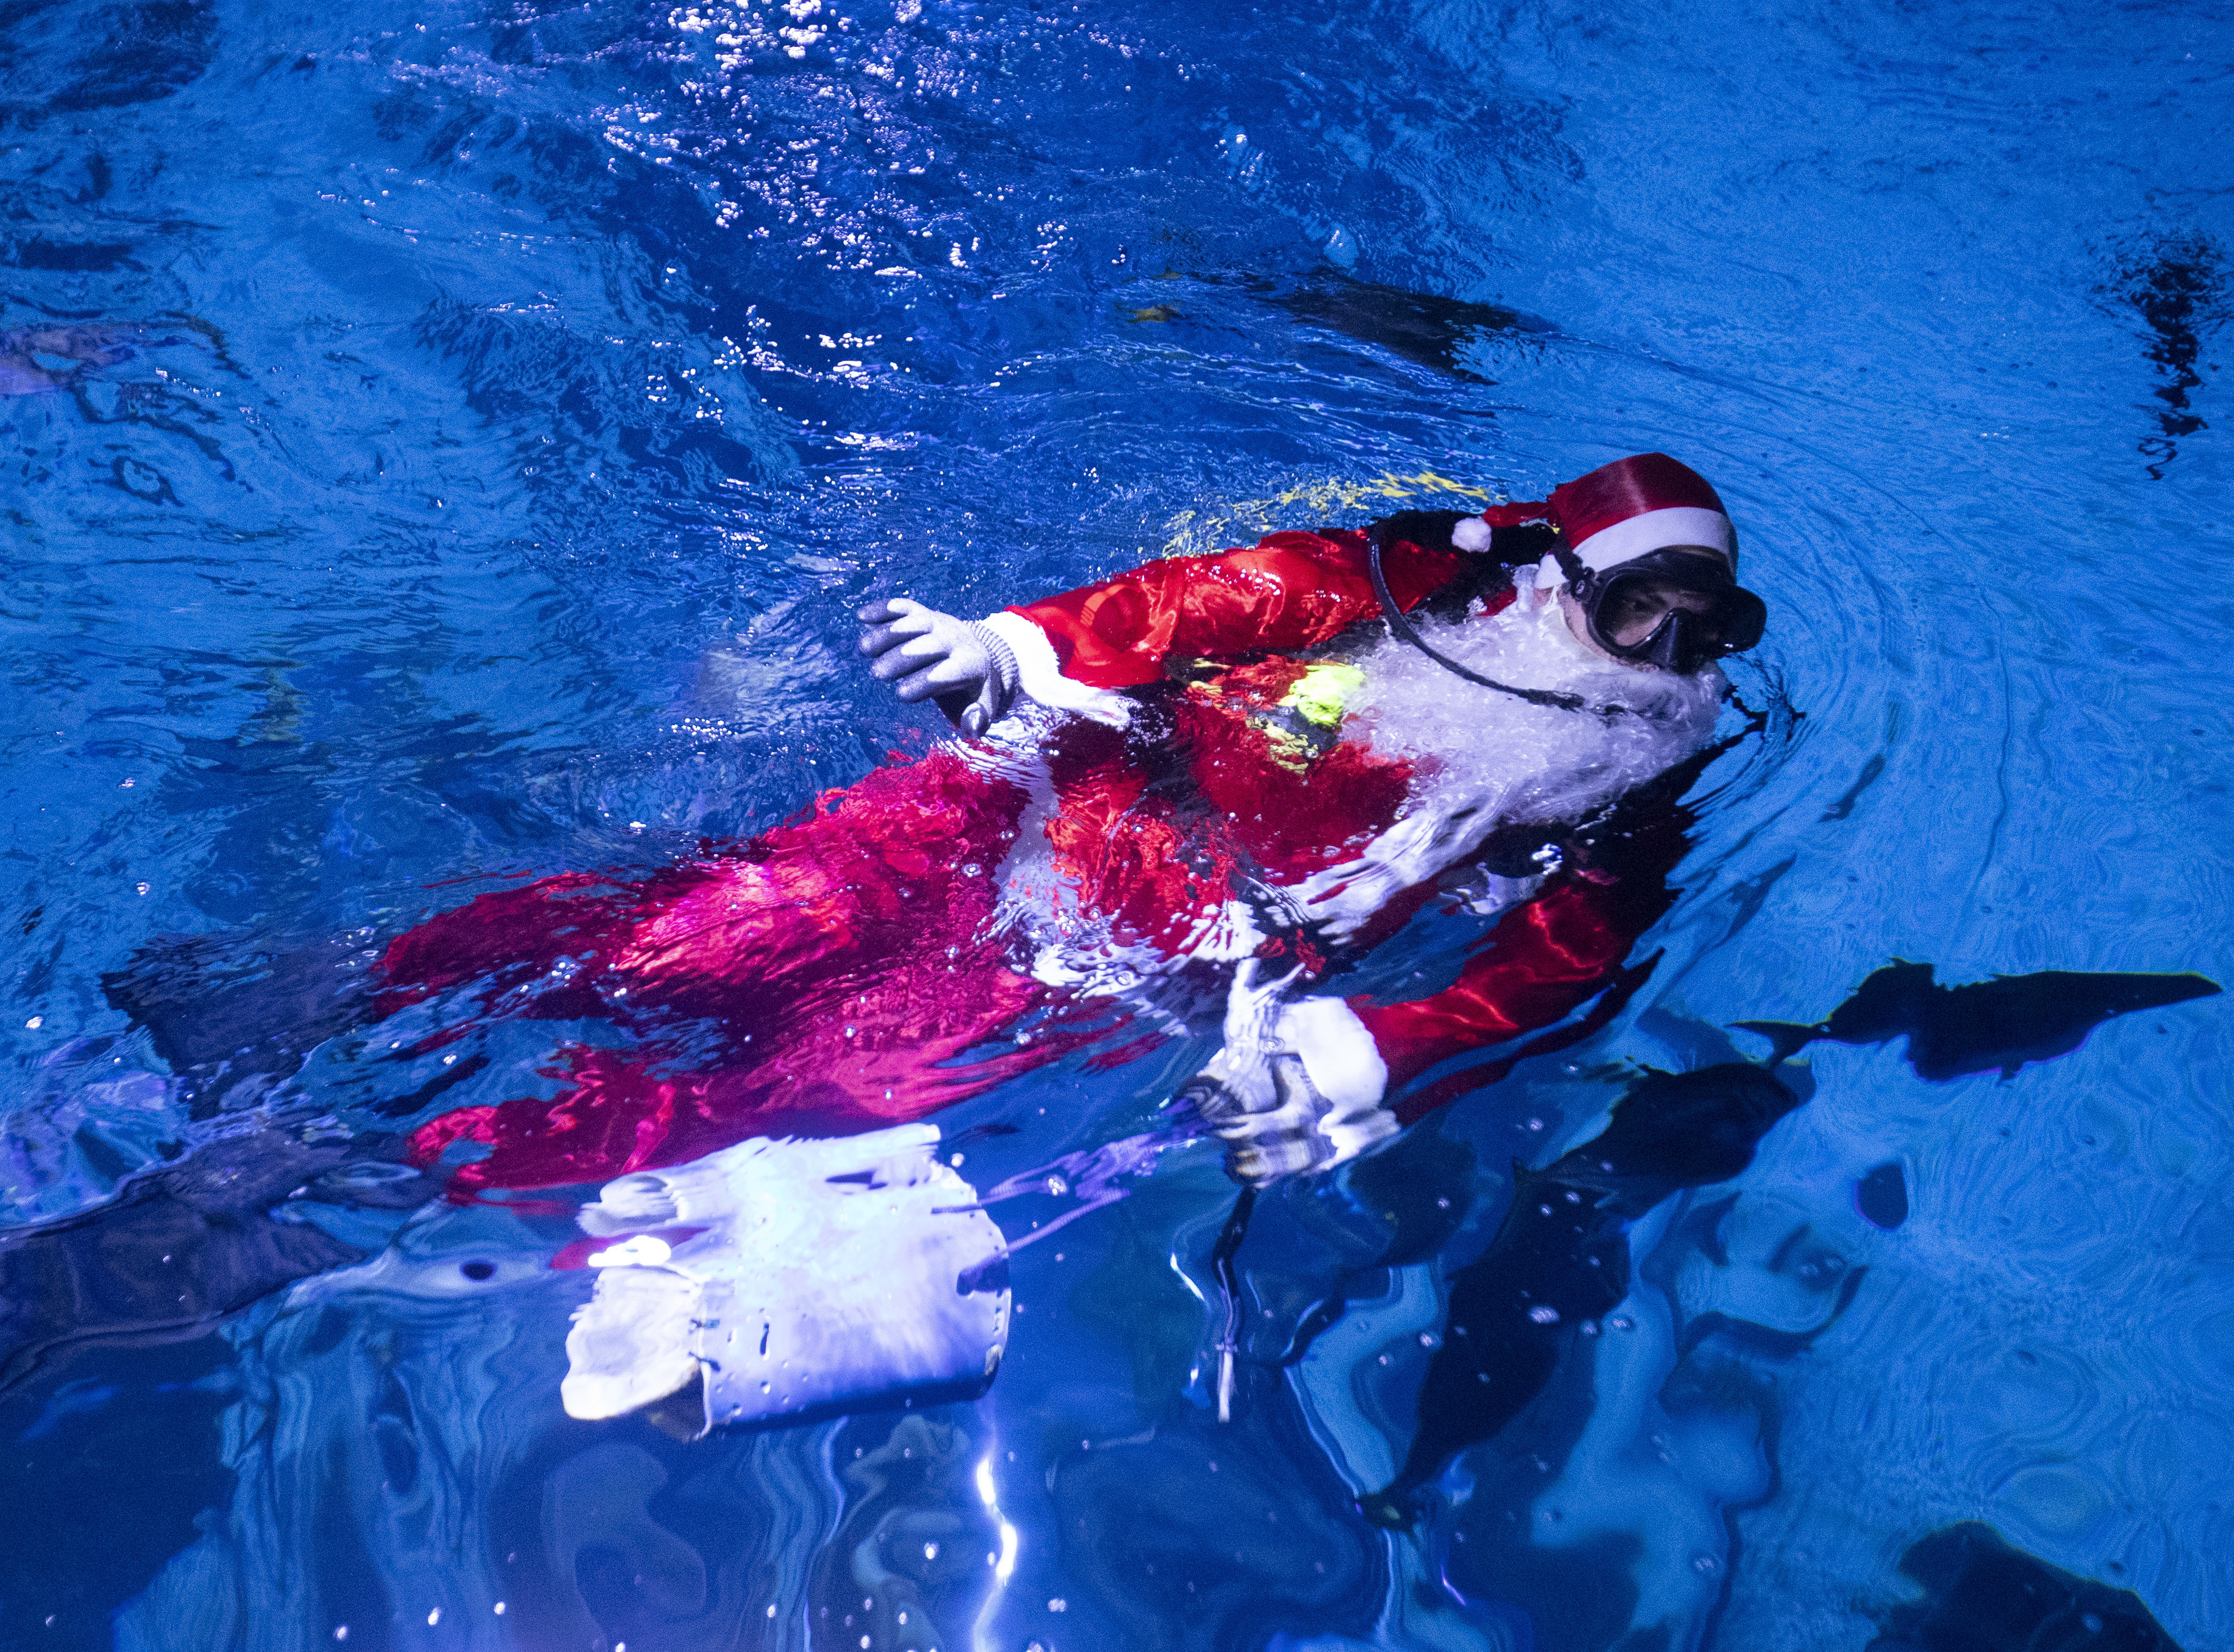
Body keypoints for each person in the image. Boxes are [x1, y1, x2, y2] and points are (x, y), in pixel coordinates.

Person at [384, 452, 1768, 1193]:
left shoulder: (1641, 758)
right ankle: (352, 986)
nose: (1661, 651)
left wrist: (1382, 1046)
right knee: (694, 937)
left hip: (1132, 950)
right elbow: (1221, 596)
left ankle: (380, 1171)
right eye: (1634, 606)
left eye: (1705, 627)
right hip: (1019, 798)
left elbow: (1570, 950)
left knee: (818, 1092)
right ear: (1557, 573)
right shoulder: (1417, 579)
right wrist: (1021, 646)